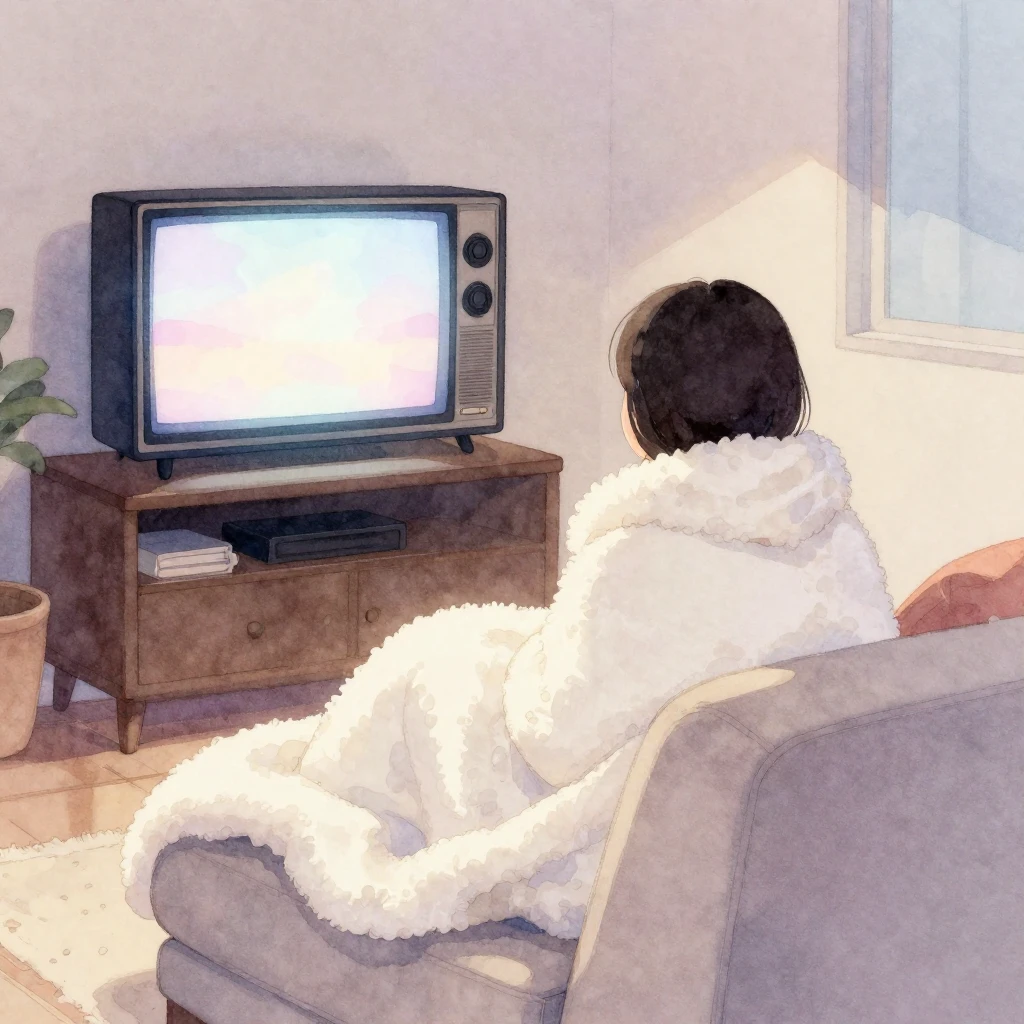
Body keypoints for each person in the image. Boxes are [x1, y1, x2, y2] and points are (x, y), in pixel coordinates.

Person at [123, 279, 898, 941]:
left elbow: (555, 738)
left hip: (627, 839)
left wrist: (523, 671)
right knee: (471, 642)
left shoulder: (637, 554)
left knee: (433, 669)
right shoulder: (835, 530)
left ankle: (333, 802)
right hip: (766, 817)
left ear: (650, 412)